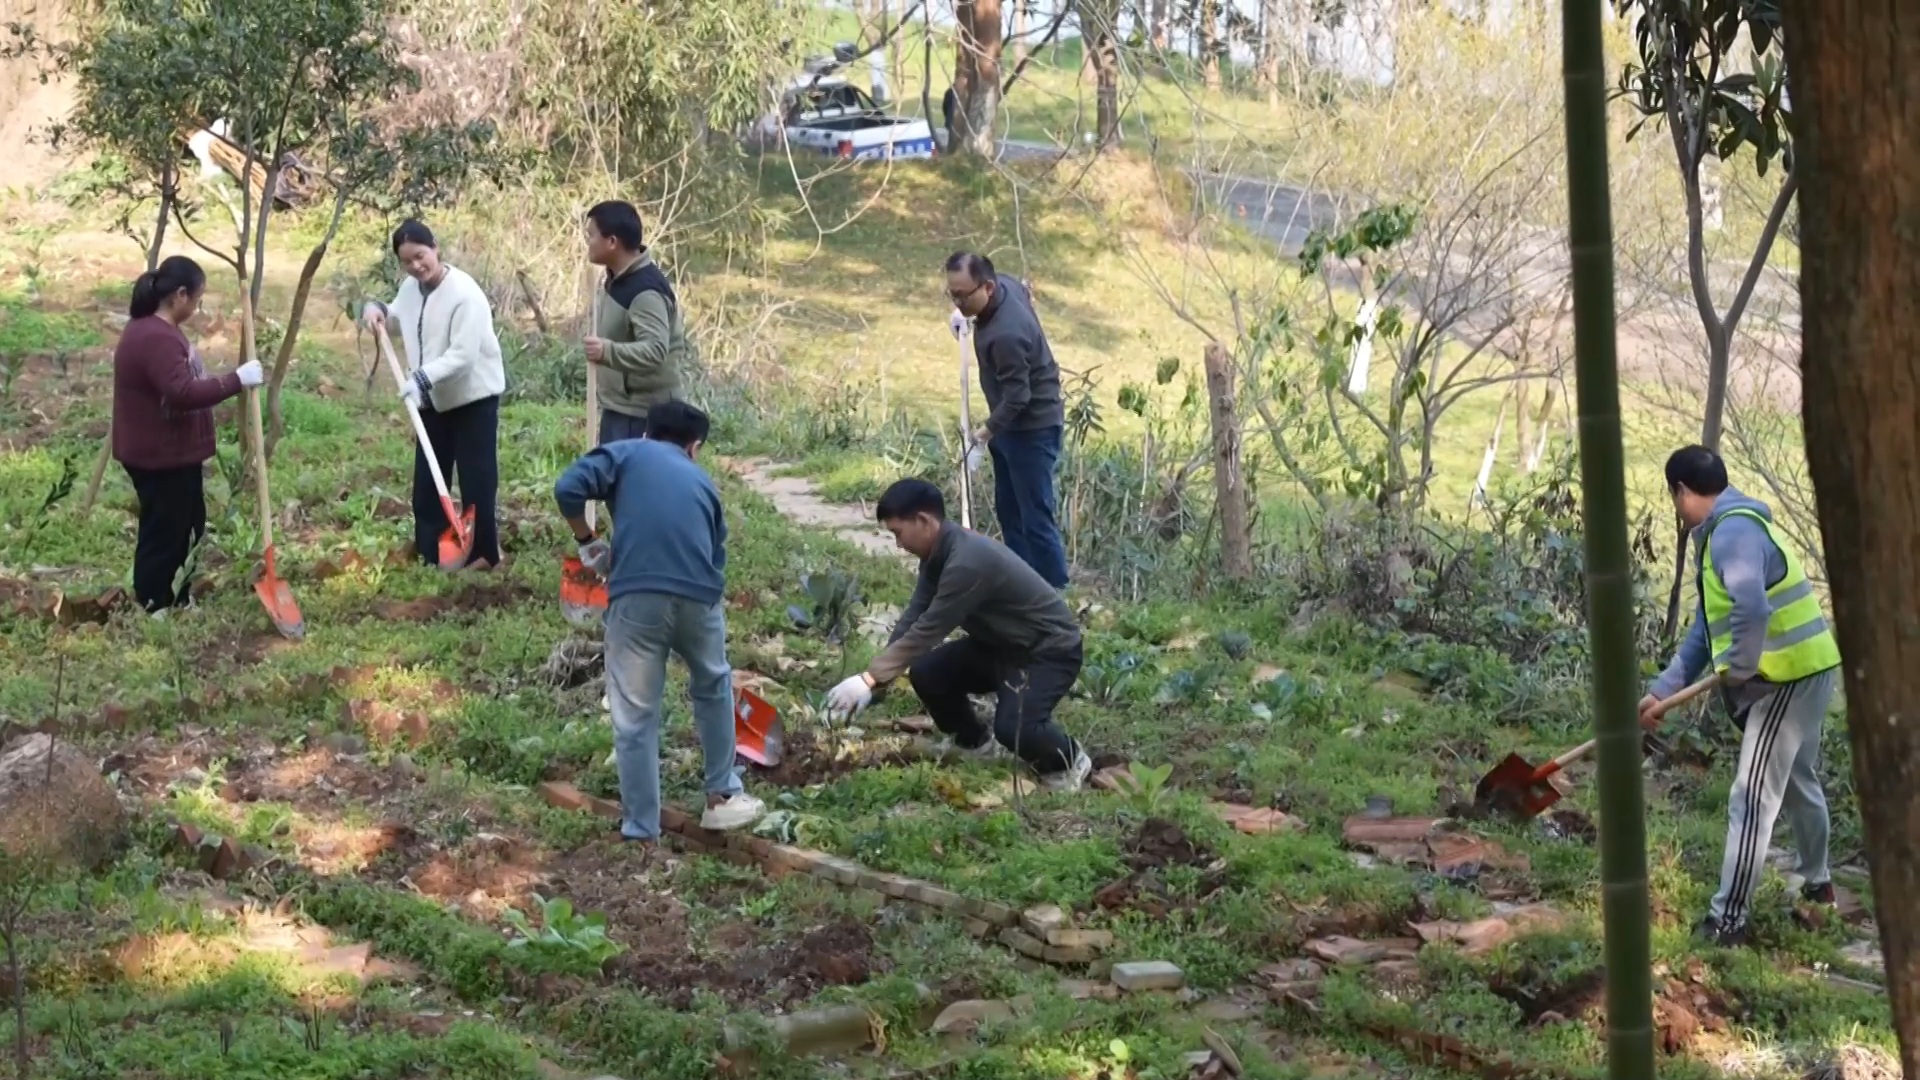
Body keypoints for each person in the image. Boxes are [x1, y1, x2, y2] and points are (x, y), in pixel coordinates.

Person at [1640, 446, 1842, 948]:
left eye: (1675, 497)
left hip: (1785, 679)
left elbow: (1751, 607)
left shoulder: (1731, 533)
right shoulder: (1734, 526)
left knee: (1752, 796)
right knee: (1796, 778)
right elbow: (1709, 627)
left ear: (1682, 492)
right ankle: (1818, 884)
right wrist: (1665, 688)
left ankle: (1728, 920)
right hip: (1813, 668)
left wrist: (1746, 666)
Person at [553, 401, 765, 841]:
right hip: (700, 599)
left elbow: (568, 488)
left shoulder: (625, 452)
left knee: (635, 714)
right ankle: (722, 796)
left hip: (638, 597)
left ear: (648, 432)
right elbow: (716, 552)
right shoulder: (704, 483)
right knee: (712, 684)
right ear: (695, 447)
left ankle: (641, 829)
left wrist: (588, 541)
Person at [825, 478, 1092, 791]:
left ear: (923, 521)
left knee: (1016, 728)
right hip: (997, 647)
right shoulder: (937, 556)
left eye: (898, 532)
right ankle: (975, 743)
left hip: (1046, 653)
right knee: (926, 672)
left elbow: (931, 628)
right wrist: (875, 683)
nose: (898, 544)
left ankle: (1069, 759)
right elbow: (914, 616)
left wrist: (868, 678)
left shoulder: (968, 561)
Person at [111, 256, 263, 612]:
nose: (197, 307)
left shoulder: (159, 331)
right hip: (158, 456)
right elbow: (180, 392)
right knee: (165, 530)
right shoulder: (154, 337)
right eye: (197, 299)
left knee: (188, 525)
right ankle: (154, 603)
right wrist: (235, 381)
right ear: (179, 295)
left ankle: (177, 598)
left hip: (171, 453)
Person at [362, 220, 506, 569]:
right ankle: (432, 554)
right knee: (427, 483)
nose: (415, 266)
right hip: (430, 402)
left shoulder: (465, 294)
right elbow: (396, 319)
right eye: (407, 261)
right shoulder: (412, 289)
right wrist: (375, 308)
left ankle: (485, 553)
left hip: (473, 399)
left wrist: (422, 378)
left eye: (420, 256)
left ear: (435, 247)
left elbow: (464, 355)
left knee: (476, 480)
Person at [945, 251, 1069, 589]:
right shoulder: (1005, 287)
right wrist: (962, 315)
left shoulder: (1007, 334)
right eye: (951, 293)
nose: (957, 302)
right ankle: (1021, 585)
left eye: (962, 296)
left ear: (986, 286)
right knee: (1009, 510)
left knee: (1034, 516)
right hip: (1008, 425)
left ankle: (1056, 592)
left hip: (1032, 428)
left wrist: (980, 437)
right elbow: (1023, 288)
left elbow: (1019, 398)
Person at [583, 200, 692, 445]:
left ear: (612, 242)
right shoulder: (617, 278)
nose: (587, 242)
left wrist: (605, 351)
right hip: (622, 408)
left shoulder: (645, 292)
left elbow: (655, 349)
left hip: (644, 417)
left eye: (591, 236)